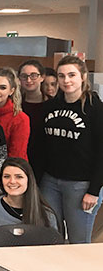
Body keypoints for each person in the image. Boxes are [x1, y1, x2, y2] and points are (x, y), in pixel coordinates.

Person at [41, 55, 103, 243]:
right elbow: (42, 146)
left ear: (83, 76)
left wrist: (94, 190)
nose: (66, 80)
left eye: (71, 75)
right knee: (50, 238)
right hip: (50, 182)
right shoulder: (50, 106)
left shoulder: (95, 108)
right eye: (61, 76)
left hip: (81, 185)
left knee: (78, 242)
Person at [0, 67, 30, 160]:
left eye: (2, 88)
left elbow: (17, 155)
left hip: (9, 168)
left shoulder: (20, 118)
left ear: (11, 91)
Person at [17, 60, 46, 178]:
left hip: (45, 162)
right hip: (22, 159)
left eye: (33, 75)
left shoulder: (52, 105)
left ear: (42, 77)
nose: (29, 80)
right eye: (24, 76)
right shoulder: (16, 106)